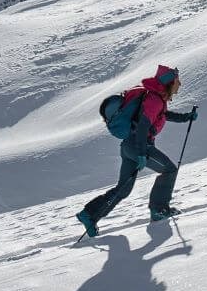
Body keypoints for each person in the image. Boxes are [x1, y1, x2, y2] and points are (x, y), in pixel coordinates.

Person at [77, 65, 198, 236]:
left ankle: (89, 215)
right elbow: (143, 127)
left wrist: (186, 117)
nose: (180, 84)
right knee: (169, 170)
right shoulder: (154, 100)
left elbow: (164, 115)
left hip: (129, 146)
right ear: (169, 82)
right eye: (177, 81)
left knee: (123, 189)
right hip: (139, 145)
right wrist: (142, 153)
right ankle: (159, 210)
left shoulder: (155, 98)